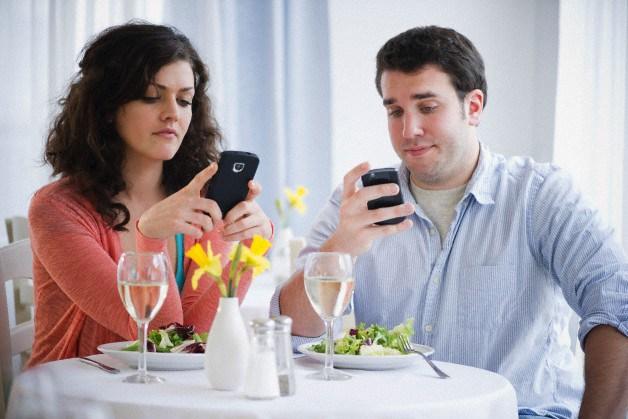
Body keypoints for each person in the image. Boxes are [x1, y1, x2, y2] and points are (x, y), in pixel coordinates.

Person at [274, 26, 628, 418]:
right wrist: (341, 248)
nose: (409, 131)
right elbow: (290, 327)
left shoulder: (541, 196)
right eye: (395, 111)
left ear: (473, 107)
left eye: (427, 107)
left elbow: (616, 306)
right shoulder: (357, 202)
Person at [27, 22, 272, 367]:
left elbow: (195, 338)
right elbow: (157, 338)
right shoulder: (57, 209)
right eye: (151, 97)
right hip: (74, 397)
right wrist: (149, 238)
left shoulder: (200, 203)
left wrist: (250, 245)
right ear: (108, 107)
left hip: (162, 394)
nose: (173, 112)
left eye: (185, 99)